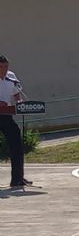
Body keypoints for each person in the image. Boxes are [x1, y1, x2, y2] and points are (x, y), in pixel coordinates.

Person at [0, 55, 31, 187]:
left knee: (16, 144)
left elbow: (16, 93)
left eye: (6, 66)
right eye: (2, 67)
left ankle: (18, 178)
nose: (5, 69)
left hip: (5, 115)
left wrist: (19, 103)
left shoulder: (11, 76)